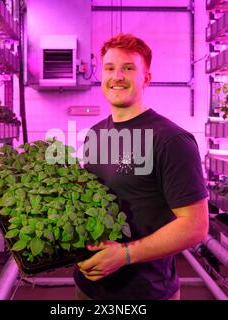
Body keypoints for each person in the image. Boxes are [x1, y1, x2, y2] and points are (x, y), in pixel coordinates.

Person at [73, 33, 209, 300]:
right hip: (88, 288)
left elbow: (195, 226)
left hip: (145, 292)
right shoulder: (95, 134)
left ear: (146, 78)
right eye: (110, 68)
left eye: (129, 68)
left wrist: (125, 254)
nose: (117, 76)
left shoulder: (171, 140)